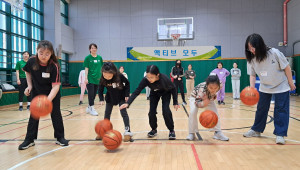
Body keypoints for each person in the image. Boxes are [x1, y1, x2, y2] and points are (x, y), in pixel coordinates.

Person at [243, 33, 296, 145]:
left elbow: (287, 67)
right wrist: (252, 89)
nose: (251, 50)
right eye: (249, 48)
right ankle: (256, 130)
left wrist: (291, 83)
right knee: (261, 109)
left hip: (281, 85)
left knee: (281, 110)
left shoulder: (275, 53)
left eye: (253, 48)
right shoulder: (251, 58)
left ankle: (280, 134)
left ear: (260, 45)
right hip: (264, 87)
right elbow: (252, 74)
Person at [18, 40, 69, 150]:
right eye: (41, 53)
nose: (43, 56)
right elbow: (27, 71)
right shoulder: (31, 61)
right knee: (34, 115)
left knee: (56, 114)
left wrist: (47, 100)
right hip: (37, 91)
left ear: (51, 54)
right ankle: (29, 139)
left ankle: (60, 137)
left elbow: (56, 87)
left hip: (52, 93)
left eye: (47, 54)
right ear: (37, 51)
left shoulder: (54, 65)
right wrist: (29, 86)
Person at [120, 65, 179, 140]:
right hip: (154, 93)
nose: (149, 79)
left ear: (157, 75)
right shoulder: (145, 80)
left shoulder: (164, 79)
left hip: (165, 93)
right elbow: (137, 91)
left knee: (166, 111)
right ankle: (153, 129)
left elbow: (173, 88)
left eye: (151, 77)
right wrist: (128, 103)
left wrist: (175, 102)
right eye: (148, 77)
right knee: (151, 112)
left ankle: (171, 130)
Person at [186, 74, 229, 141]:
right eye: (211, 88)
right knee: (193, 111)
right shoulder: (201, 91)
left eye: (215, 88)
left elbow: (214, 93)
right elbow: (197, 103)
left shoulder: (220, 84)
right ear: (207, 85)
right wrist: (204, 103)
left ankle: (217, 133)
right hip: (196, 97)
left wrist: (211, 98)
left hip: (208, 97)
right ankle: (192, 133)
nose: (213, 90)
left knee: (215, 112)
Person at [99, 62, 133, 142]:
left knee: (123, 113)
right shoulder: (102, 78)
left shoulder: (119, 76)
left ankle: (127, 131)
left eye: (109, 76)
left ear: (113, 73)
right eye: (105, 75)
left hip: (121, 96)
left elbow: (127, 83)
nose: (107, 78)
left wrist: (127, 94)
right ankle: (105, 131)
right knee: (107, 114)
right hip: (110, 97)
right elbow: (100, 89)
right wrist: (101, 99)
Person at [84, 43, 103, 116]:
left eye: (95, 48)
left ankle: (89, 107)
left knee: (94, 94)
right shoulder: (87, 58)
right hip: (90, 79)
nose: (94, 49)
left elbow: (101, 68)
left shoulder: (99, 58)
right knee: (90, 93)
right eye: (92, 48)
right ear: (90, 49)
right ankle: (92, 108)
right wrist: (86, 78)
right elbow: (86, 68)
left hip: (97, 79)